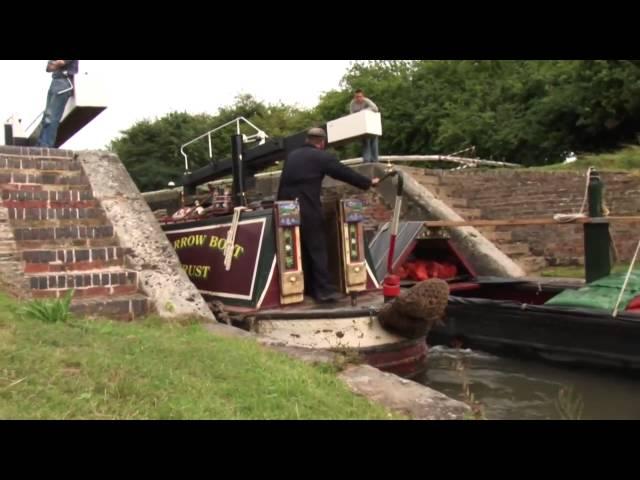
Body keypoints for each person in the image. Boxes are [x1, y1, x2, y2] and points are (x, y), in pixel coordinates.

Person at [277, 127, 380, 303]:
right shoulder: (321, 156)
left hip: (285, 208)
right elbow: (342, 172)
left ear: (307, 139)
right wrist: (368, 182)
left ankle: (304, 287)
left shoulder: (292, 156)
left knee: (297, 249)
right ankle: (324, 291)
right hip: (307, 207)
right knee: (317, 248)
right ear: (322, 142)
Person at [36, 60, 79, 148]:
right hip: (56, 80)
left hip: (64, 81)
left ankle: (46, 145)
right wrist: (54, 64)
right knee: (47, 116)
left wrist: (54, 64)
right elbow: (48, 68)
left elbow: (60, 62)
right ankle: (41, 144)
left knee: (52, 116)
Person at [349, 88, 380, 163]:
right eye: (357, 97)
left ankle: (375, 161)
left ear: (363, 96)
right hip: (362, 127)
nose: (358, 98)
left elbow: (376, 109)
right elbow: (351, 115)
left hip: (372, 125)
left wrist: (365, 111)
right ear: (354, 97)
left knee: (374, 143)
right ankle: (367, 161)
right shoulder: (353, 103)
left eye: (360, 96)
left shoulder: (367, 101)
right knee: (365, 143)